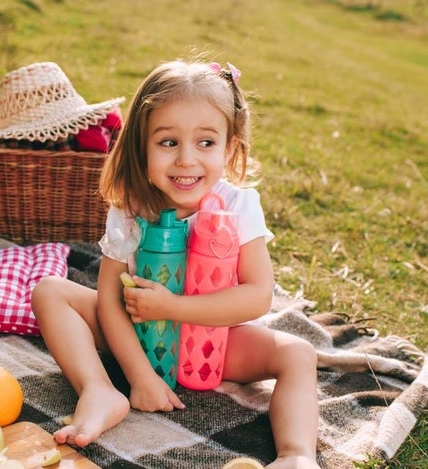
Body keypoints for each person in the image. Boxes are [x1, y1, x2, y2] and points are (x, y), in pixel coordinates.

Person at [31, 59, 321, 469]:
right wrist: (139, 376)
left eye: (205, 143)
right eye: (168, 142)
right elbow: (111, 301)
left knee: (298, 354)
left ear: (230, 148)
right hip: (135, 337)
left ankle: (296, 455)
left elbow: (257, 297)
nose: (186, 160)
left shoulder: (238, 206)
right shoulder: (131, 207)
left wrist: (173, 308)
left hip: (213, 345)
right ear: (141, 147)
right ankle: (98, 389)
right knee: (50, 291)